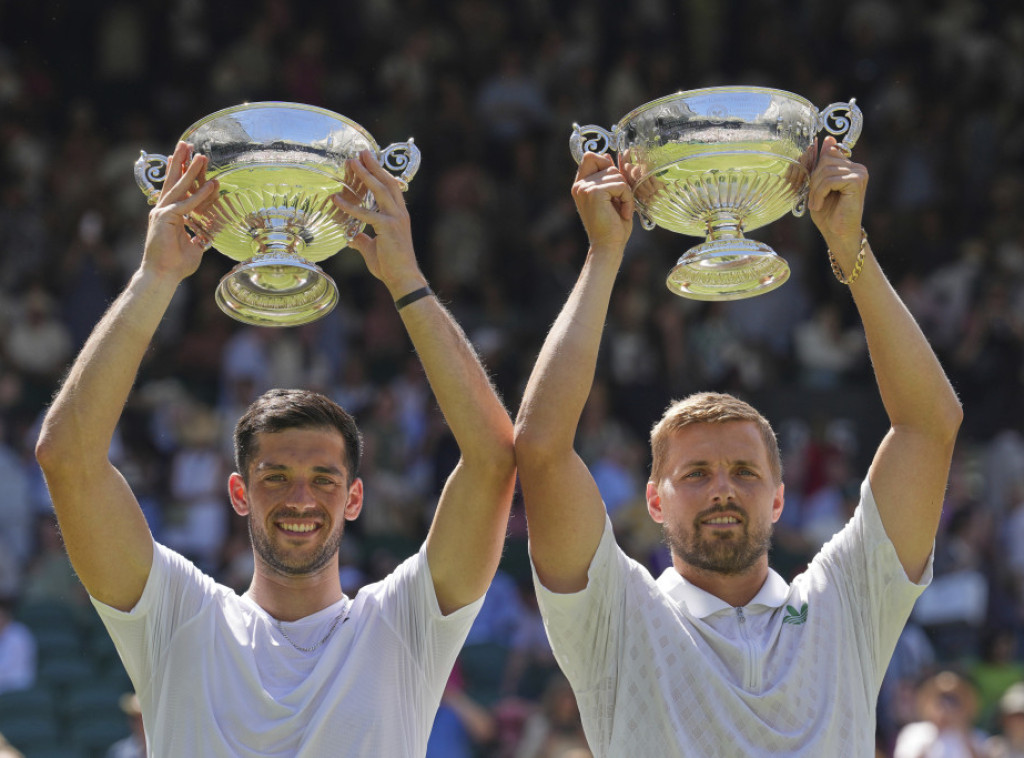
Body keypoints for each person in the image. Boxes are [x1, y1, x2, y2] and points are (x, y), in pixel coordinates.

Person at [35, 143, 517, 756]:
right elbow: (66, 458)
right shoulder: (179, 618)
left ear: (354, 498)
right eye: (275, 476)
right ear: (238, 492)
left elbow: (494, 460)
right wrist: (155, 278)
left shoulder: (403, 625)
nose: (300, 497)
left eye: (323, 478)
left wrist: (406, 278)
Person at [513, 136, 963, 756]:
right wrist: (604, 254)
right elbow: (541, 447)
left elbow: (930, 426)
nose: (723, 486)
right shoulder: (616, 616)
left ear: (779, 499)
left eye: (745, 472)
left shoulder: (846, 603)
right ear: (654, 501)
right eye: (695, 473)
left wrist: (847, 246)